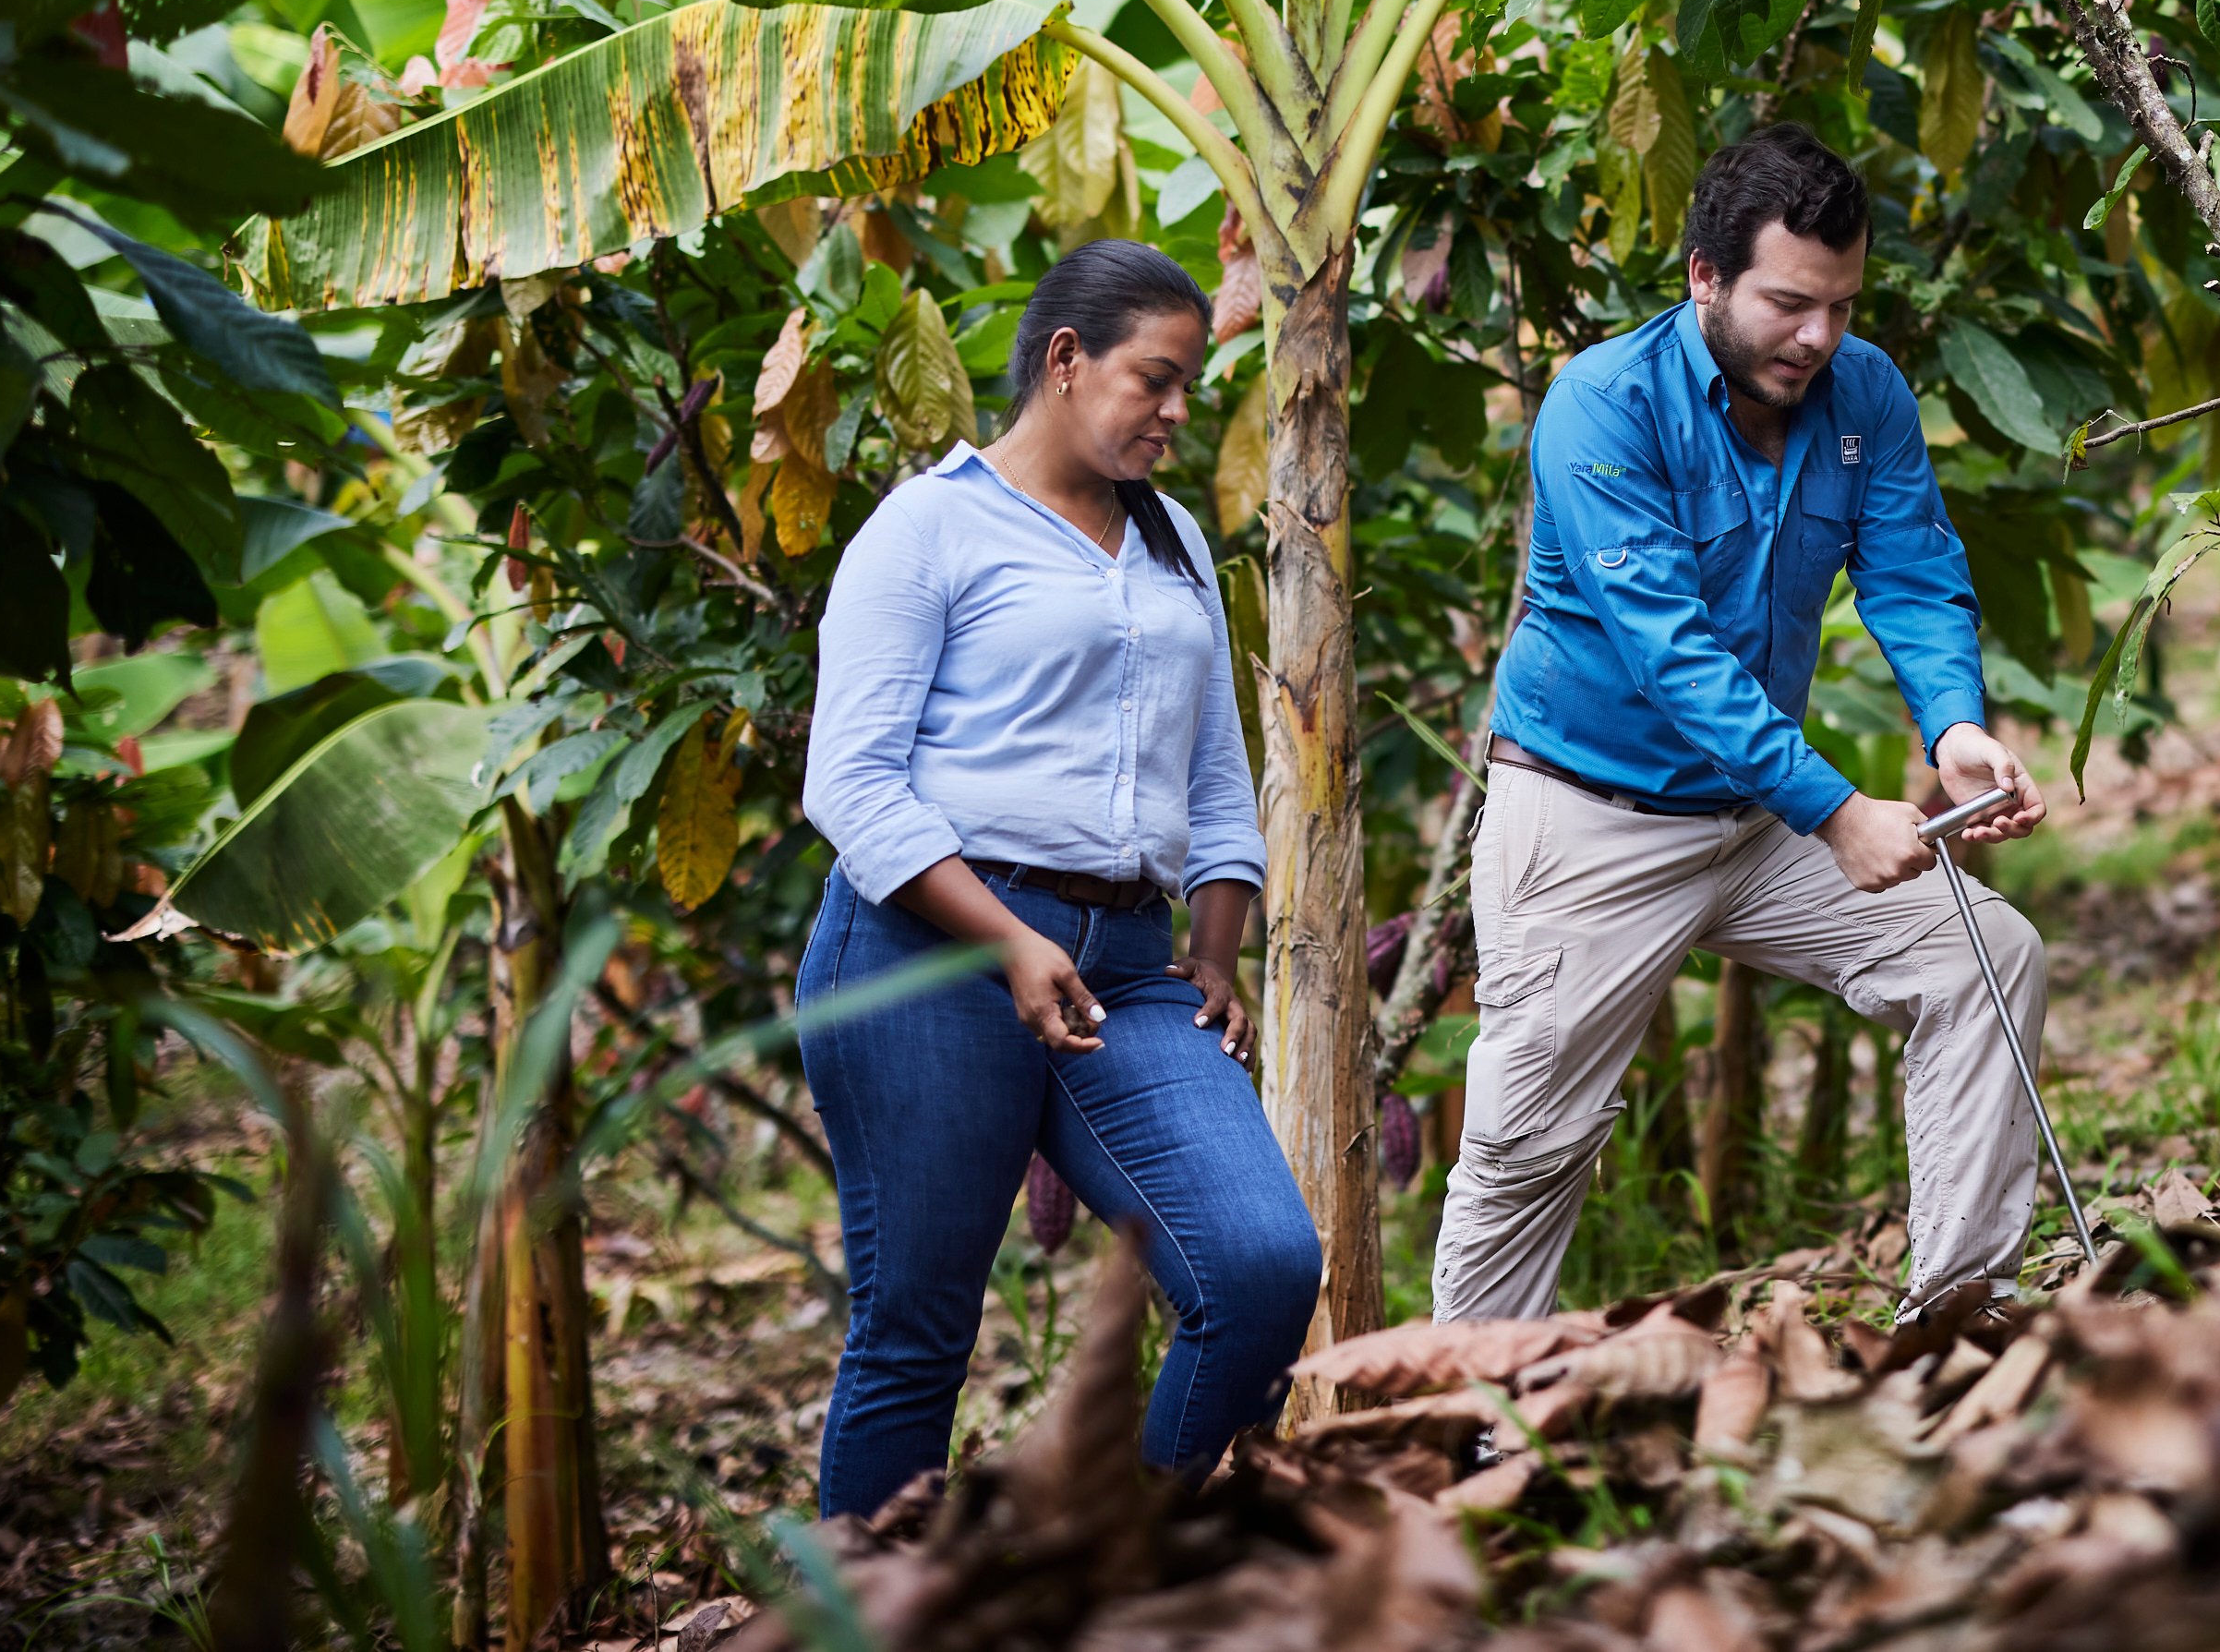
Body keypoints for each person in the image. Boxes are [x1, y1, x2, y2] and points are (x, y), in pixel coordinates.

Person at [1431, 123, 2053, 1332]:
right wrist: (1836, 810)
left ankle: (1958, 1318)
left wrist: (1955, 731)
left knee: (1984, 959)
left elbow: (1913, 572)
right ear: (1705, 277)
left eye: (1842, 305)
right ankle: (1462, 1409)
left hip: (1754, 821)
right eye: (1789, 304)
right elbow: (1672, 656)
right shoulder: (1602, 407)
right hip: (1589, 819)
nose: (1818, 336)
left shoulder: (1864, 391)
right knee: (1526, 1145)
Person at [798, 240, 1320, 1512]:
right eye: (1157, 378)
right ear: (1067, 359)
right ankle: (871, 1600)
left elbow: (1214, 773)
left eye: (1191, 384)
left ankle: (1120, 1568)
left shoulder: (1172, 537)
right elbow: (850, 785)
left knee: (1259, 1267)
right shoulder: (929, 525)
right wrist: (1008, 943)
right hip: (927, 953)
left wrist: (1217, 946)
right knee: (918, 1326)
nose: (1179, 410)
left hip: (1127, 970)